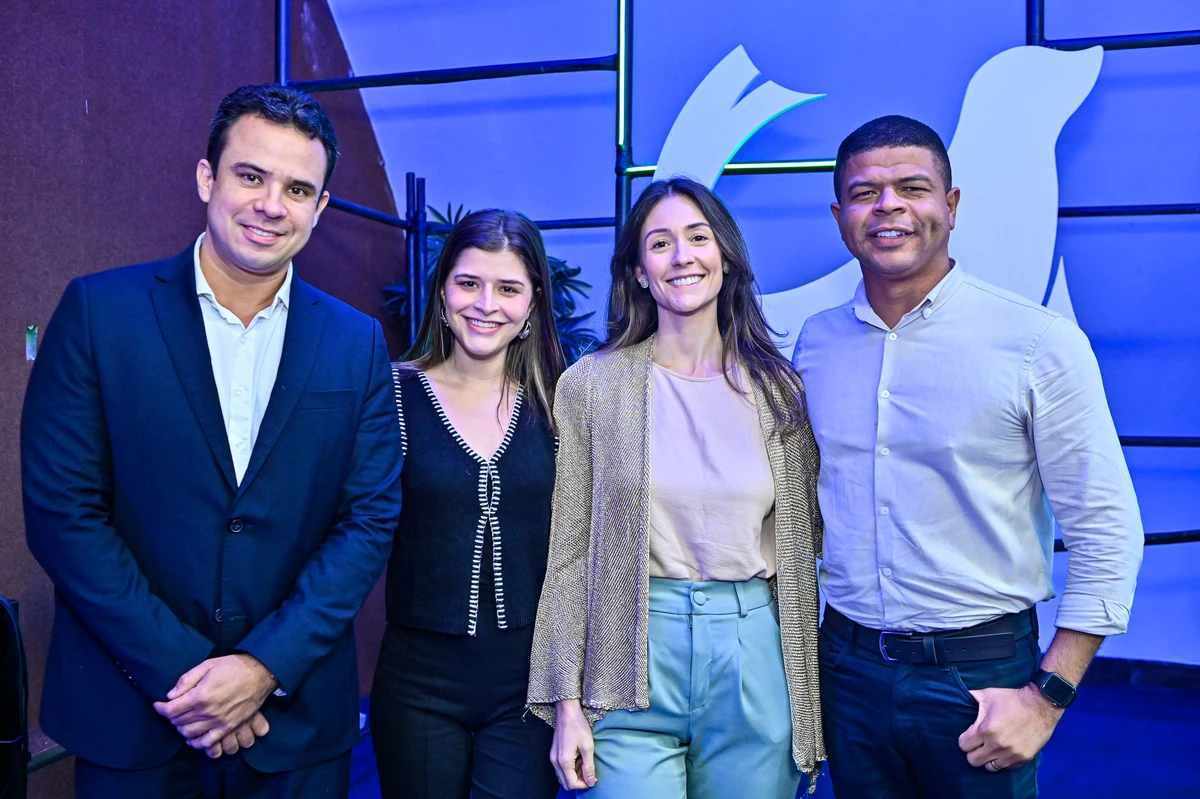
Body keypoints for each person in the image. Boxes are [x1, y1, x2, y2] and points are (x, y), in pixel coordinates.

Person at [21, 84, 403, 798]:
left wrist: (262, 667)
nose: (271, 205)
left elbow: (369, 519)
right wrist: (191, 678)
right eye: (250, 175)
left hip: (295, 729)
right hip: (134, 717)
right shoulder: (100, 314)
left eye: (297, 189)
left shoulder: (357, 343)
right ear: (207, 178)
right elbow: (62, 513)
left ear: (320, 208)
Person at [793, 114, 1143, 799]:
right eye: (865, 193)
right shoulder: (815, 345)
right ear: (840, 218)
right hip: (848, 669)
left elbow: (1108, 530)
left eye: (912, 188)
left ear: (951, 206)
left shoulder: (1036, 343)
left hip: (980, 674)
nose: (888, 206)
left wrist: (1047, 697)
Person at [528, 177, 826, 798]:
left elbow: (804, 550)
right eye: (660, 244)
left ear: (726, 257)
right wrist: (565, 703)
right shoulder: (592, 385)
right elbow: (570, 555)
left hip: (751, 653)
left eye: (698, 237)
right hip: (626, 655)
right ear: (639, 272)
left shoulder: (781, 392)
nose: (682, 256)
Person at [369, 209, 563, 799]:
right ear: (442, 291)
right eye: (469, 283)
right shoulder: (391, 393)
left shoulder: (561, 403)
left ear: (533, 302)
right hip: (416, 686)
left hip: (528, 689)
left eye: (508, 288)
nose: (485, 304)